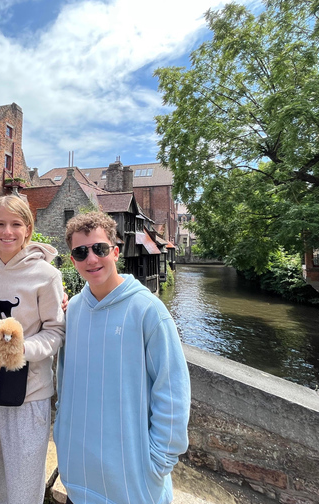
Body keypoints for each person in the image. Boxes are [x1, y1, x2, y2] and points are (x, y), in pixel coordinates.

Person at [54, 212, 191, 504]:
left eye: (100, 249)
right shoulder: (73, 312)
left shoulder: (148, 311)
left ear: (115, 252)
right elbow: (64, 385)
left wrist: (159, 463)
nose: (91, 259)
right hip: (78, 481)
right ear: (72, 260)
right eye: (81, 252)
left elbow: (172, 390)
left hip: (133, 487)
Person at [0, 195, 65, 504]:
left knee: (23, 491)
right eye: (0, 224)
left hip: (28, 395)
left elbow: (55, 331)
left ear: (28, 229)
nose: (7, 232)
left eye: (16, 224)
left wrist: (21, 349)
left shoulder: (46, 275)